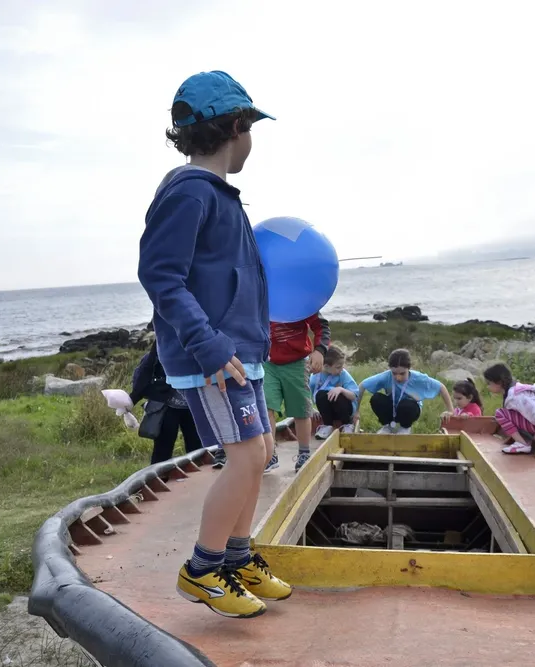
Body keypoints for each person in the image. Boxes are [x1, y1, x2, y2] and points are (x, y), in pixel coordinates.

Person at [138, 70, 291, 619]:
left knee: (263, 454)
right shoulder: (188, 193)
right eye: (251, 128)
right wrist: (206, 343)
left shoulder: (223, 197)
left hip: (238, 354)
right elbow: (161, 275)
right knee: (247, 456)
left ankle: (238, 557)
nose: (252, 141)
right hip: (211, 359)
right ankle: (202, 570)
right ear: (236, 127)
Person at [265, 312, 331, 472]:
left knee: (300, 408)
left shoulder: (300, 298)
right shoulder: (261, 294)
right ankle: (269, 454)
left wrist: (320, 350)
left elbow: (321, 326)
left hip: (296, 362)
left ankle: (304, 452)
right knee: (266, 406)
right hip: (267, 361)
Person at [129, 343, 203, 467]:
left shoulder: (198, 335)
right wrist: (132, 399)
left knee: (197, 450)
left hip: (194, 405)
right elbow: (147, 368)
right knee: (162, 451)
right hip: (167, 405)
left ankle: (201, 482)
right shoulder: (163, 337)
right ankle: (157, 484)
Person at [354, 348, 454, 434]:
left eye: (402, 373)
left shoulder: (419, 378)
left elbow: (441, 387)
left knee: (407, 405)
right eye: (394, 373)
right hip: (392, 408)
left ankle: (405, 427)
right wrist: (356, 411)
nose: (398, 377)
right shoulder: (386, 376)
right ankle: (388, 426)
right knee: (376, 399)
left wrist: (450, 410)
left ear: (409, 368)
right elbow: (362, 385)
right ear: (390, 369)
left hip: (409, 410)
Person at [483, 363, 535, 455]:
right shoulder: (513, 389)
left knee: (500, 414)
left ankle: (522, 444)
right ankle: (524, 438)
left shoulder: (515, 396)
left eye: (489, 383)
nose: (487, 386)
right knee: (507, 413)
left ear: (499, 382)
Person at [309, 345, 359, 440]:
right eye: (338, 367)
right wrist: (312, 409)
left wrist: (341, 389)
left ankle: (347, 425)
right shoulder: (314, 377)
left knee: (338, 395)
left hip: (345, 410)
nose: (341, 370)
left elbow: (354, 396)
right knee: (321, 394)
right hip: (328, 411)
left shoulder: (343, 374)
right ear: (326, 366)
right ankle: (327, 426)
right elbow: (306, 394)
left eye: (341, 367)